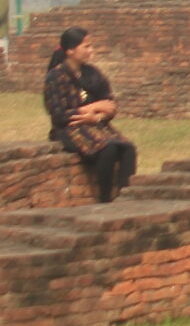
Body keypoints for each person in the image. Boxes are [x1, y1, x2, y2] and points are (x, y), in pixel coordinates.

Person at [43, 26, 137, 203]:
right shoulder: (56, 77)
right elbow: (59, 115)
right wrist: (91, 108)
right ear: (70, 50)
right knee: (106, 149)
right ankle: (105, 200)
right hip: (69, 129)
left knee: (127, 149)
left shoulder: (92, 73)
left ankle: (126, 199)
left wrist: (96, 117)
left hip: (97, 125)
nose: (90, 51)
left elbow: (109, 105)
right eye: (86, 47)